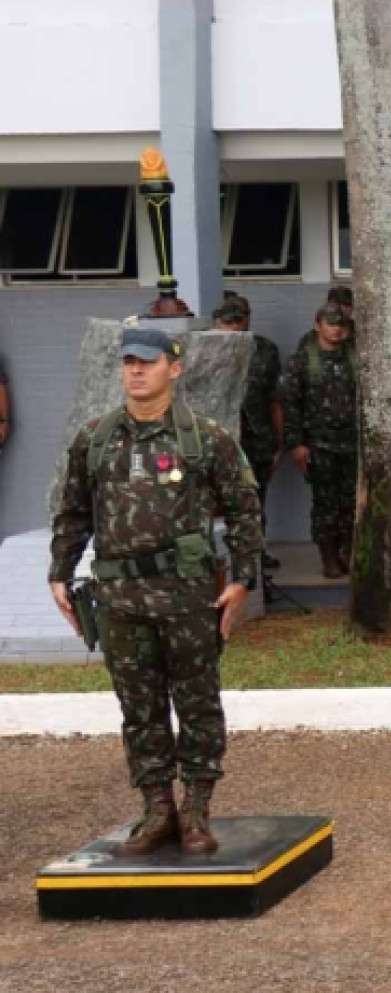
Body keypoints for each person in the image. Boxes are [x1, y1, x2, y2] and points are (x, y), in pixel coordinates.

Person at [48, 327, 263, 856]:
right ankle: (157, 808)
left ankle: (196, 809)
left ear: (175, 367)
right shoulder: (95, 438)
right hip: (120, 598)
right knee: (138, 707)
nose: (135, 371)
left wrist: (240, 581)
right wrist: (60, 571)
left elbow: (243, 511)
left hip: (187, 595)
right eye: (128, 362)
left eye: (146, 361)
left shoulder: (204, 438)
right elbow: (73, 511)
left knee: (197, 702)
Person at [281, 302, 360, 578]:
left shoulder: (355, 358)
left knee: (352, 502)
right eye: (331, 323)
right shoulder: (302, 361)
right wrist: (296, 444)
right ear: (318, 325)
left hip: (352, 444)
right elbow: (290, 404)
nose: (336, 329)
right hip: (319, 445)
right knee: (325, 503)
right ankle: (328, 556)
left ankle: (347, 552)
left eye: (341, 324)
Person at [211, 294, 281, 564]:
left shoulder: (264, 350)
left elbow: (274, 398)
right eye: (229, 321)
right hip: (219, 440)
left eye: (240, 320)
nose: (235, 327)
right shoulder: (206, 350)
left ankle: (257, 554)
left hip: (257, 439)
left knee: (255, 499)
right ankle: (227, 556)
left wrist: (278, 441)